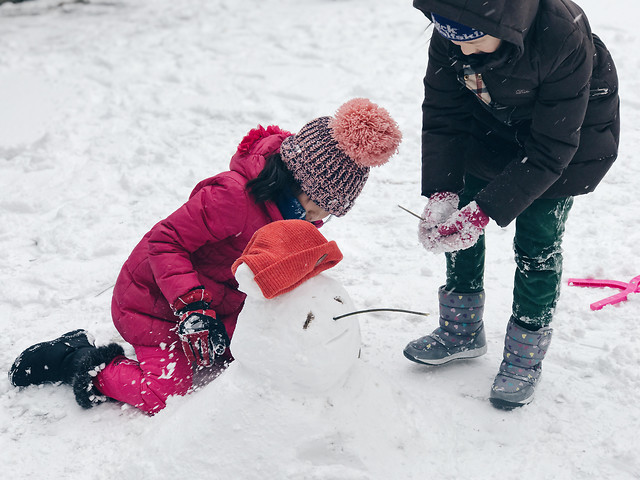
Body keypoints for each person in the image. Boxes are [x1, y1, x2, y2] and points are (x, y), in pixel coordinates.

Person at [9, 98, 402, 415]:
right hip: (152, 303)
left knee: (260, 358)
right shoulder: (232, 198)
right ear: (291, 175)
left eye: (328, 210)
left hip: (219, 305)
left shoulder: (298, 220)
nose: (316, 216)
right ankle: (78, 359)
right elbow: (164, 242)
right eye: (313, 201)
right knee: (166, 393)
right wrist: (193, 309)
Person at [403, 0, 619, 409]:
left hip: (562, 140)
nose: (462, 50)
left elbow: (551, 149)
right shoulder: (455, 29)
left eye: (473, 41)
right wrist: (442, 192)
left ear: (503, 22)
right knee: (458, 222)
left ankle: (524, 354)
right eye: (452, 38)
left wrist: (486, 212)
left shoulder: (562, 35)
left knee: (538, 242)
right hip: (489, 123)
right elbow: (444, 115)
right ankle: (462, 330)